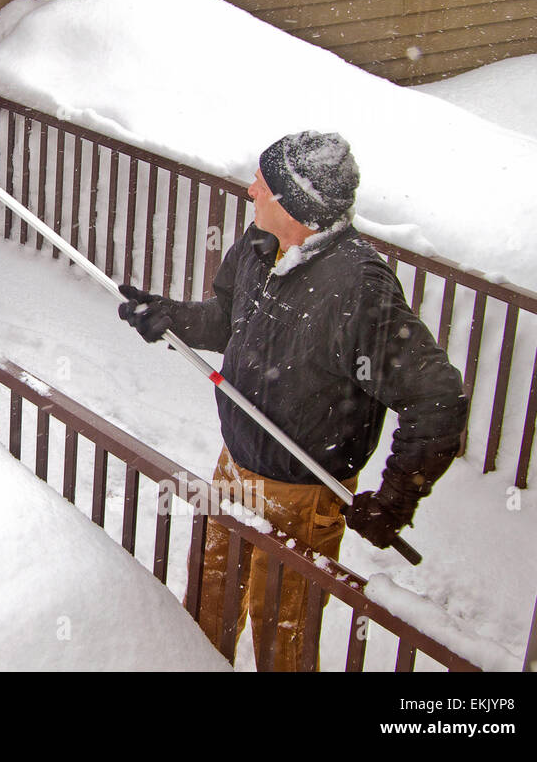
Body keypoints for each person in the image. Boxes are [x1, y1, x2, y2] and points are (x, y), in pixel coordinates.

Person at [117, 130, 468, 671]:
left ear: (297, 202)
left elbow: (438, 398)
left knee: (282, 638)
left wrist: (396, 500)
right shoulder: (259, 246)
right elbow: (230, 320)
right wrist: (171, 317)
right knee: (207, 605)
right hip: (233, 468)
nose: (251, 189)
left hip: (304, 498)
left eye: (265, 182)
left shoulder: (357, 288)